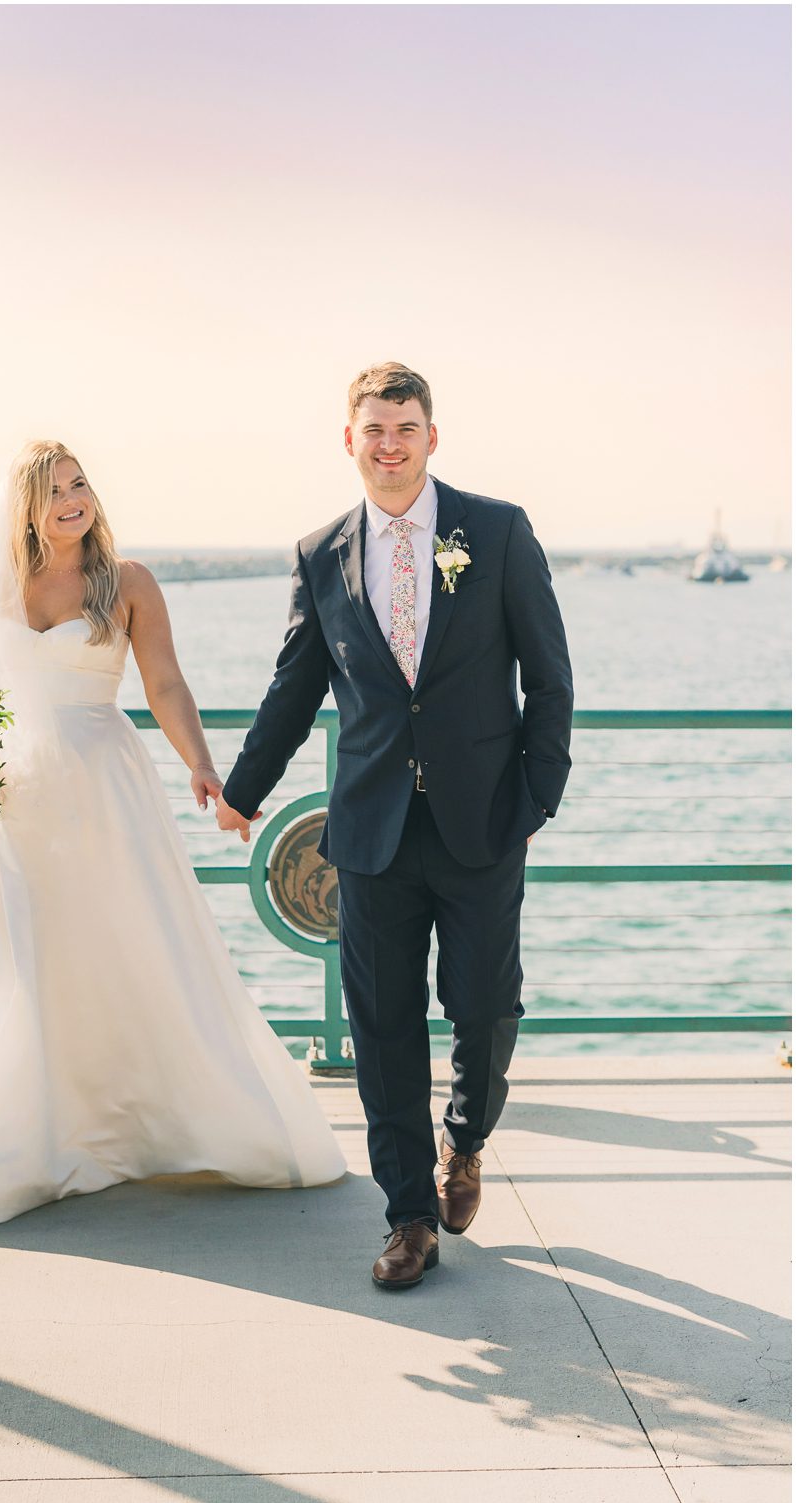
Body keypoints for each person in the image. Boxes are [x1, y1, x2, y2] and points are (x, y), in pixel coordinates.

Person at [0, 441, 345, 1224]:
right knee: (25, 952)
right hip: (12, 798)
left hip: (105, 785)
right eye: (53, 491)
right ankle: (28, 1124)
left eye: (79, 484)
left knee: (127, 942)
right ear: (26, 507)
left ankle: (132, 1120)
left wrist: (203, 766)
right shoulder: (0, 588)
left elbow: (166, 684)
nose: (72, 500)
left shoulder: (129, 582)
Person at [217, 364, 573, 1290]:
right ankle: (409, 1216)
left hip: (484, 821)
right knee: (381, 1025)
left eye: (405, 428)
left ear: (430, 436)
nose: (388, 444)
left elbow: (550, 674)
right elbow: (293, 688)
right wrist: (243, 788)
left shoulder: (494, 531)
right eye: (373, 428)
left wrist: (537, 797)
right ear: (348, 439)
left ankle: (466, 1138)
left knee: (486, 1007)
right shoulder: (319, 553)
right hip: (370, 831)